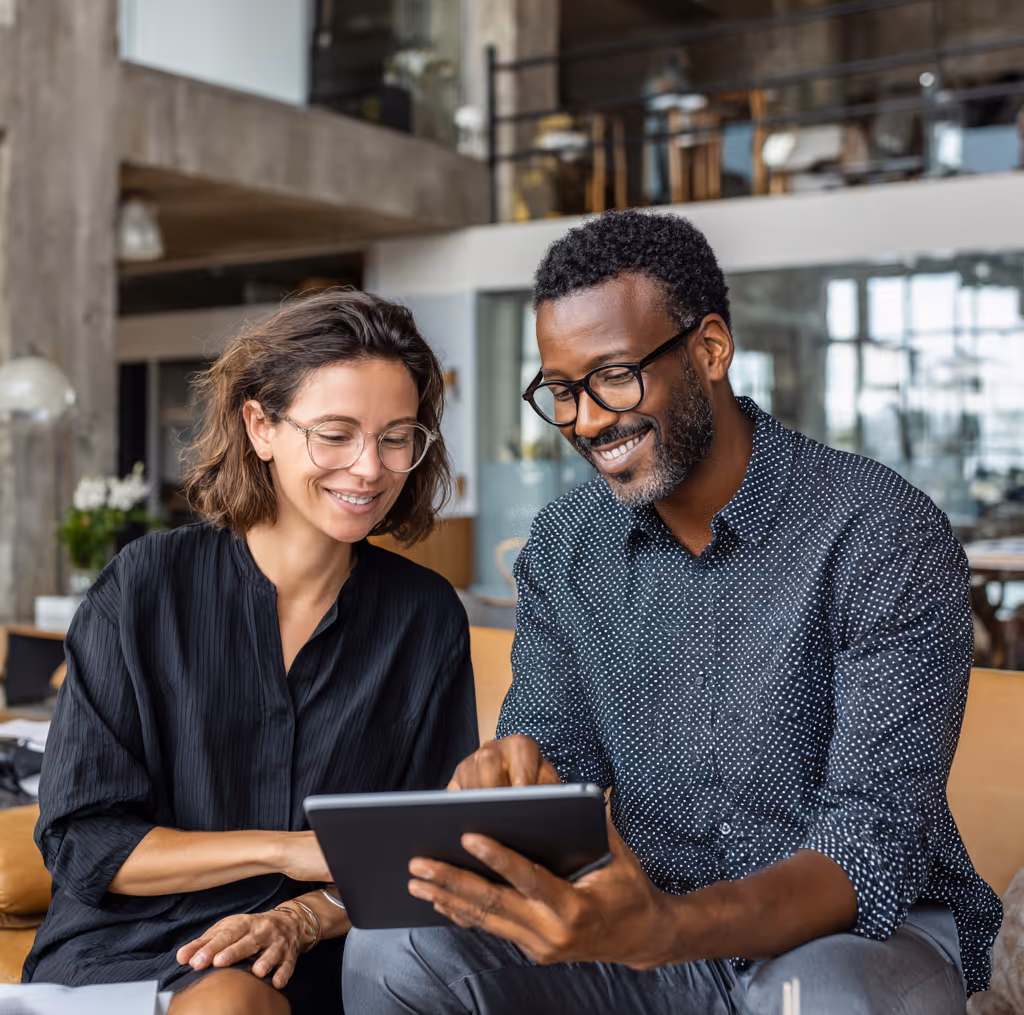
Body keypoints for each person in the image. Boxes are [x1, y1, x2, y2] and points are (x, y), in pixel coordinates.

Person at [342, 211, 1003, 1014]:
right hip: (643, 934)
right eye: (561, 391)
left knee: (819, 995)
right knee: (394, 951)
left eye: (614, 376)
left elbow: (871, 848)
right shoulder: (565, 548)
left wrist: (671, 926)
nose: (585, 420)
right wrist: (516, 788)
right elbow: (556, 763)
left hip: (857, 938)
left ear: (710, 349)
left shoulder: (880, 531)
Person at [23, 290, 479, 1014]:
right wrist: (287, 850)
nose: (369, 469)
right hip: (127, 942)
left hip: (323, 942)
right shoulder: (145, 588)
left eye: (398, 437)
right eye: (335, 433)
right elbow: (85, 841)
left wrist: (304, 914)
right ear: (260, 426)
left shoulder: (425, 618)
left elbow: (422, 853)